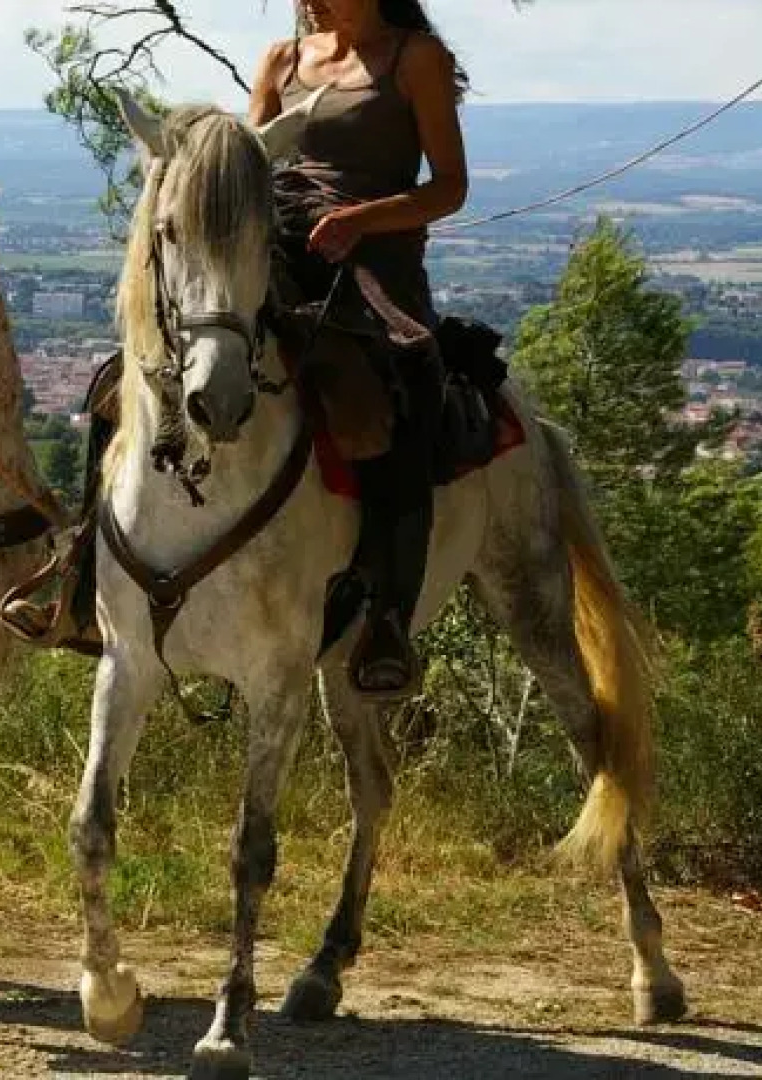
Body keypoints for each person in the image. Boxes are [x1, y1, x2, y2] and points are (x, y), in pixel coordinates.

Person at [248, 0, 469, 697]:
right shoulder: (281, 59)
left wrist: (359, 219)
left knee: (405, 390)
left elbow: (449, 187)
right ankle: (87, 569)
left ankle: (387, 619)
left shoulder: (415, 59)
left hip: (374, 264)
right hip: (279, 249)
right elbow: (248, 163)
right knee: (153, 358)